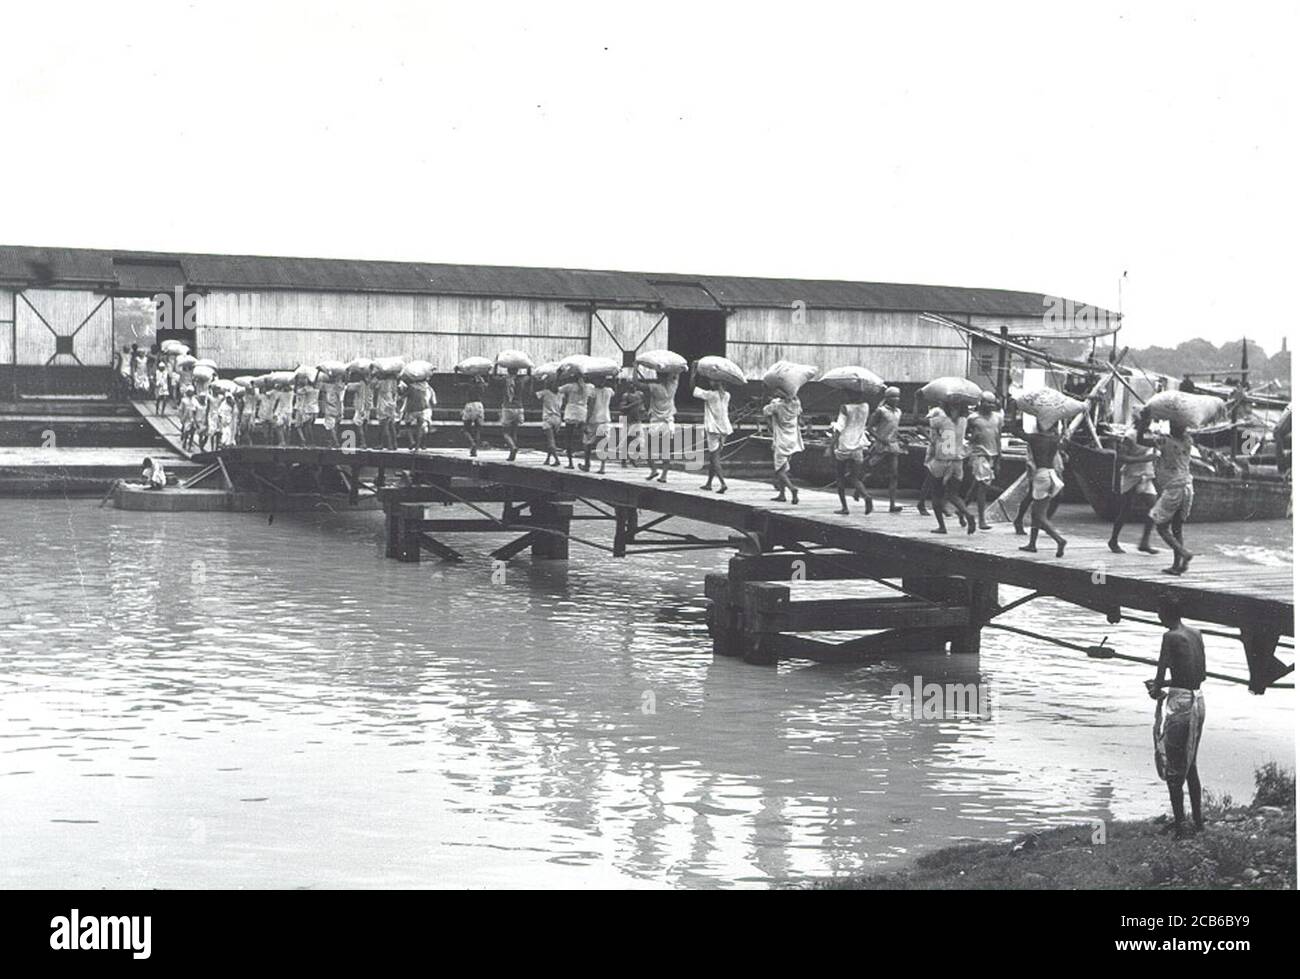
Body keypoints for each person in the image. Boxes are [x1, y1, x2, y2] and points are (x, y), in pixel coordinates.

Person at [1147, 593, 1207, 839]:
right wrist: (1168, 683)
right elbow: (1199, 675)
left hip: (1181, 704)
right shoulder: (1196, 633)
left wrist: (1155, 688)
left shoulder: (1169, 636)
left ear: (1165, 613)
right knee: (1190, 762)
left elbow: (1160, 677)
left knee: (1173, 766)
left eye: (1159, 611)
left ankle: (1181, 826)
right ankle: (1198, 821)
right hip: (1199, 699)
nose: (1158, 616)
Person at [1138, 410, 1196, 575]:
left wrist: (1144, 422)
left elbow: (1140, 439)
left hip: (1174, 488)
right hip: (1187, 486)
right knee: (1177, 528)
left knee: (1161, 527)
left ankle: (1184, 554)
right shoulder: (1188, 441)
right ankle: (1178, 565)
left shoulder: (1164, 441)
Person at [1019, 421, 1068, 556]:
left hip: (1041, 475)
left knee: (1039, 515)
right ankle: (1032, 544)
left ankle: (1059, 540)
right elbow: (1063, 443)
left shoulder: (1035, 438)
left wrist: (1013, 409)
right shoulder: (1055, 439)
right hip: (1052, 474)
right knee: (1038, 512)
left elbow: (1014, 430)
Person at [1108, 431, 1159, 554]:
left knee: (1154, 508)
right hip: (1130, 475)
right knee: (1126, 509)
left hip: (1146, 475)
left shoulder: (1152, 434)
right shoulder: (1130, 436)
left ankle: (1144, 542)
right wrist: (1144, 459)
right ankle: (1113, 540)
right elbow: (1121, 457)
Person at [927, 400, 973, 534]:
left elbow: (917, 421)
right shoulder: (964, 420)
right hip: (957, 461)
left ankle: (942, 526)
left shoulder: (940, 420)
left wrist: (917, 401)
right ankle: (967, 513)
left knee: (936, 495)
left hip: (941, 460)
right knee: (953, 494)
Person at [828, 389, 872, 514]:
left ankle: (844, 508)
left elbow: (839, 428)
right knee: (855, 477)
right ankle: (866, 496)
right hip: (858, 444)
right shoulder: (865, 406)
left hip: (844, 444)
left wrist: (830, 445)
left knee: (840, 477)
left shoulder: (845, 408)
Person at [863, 386, 905, 513]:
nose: (896, 399)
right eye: (893, 396)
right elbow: (869, 428)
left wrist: (901, 437)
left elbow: (894, 429)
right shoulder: (880, 411)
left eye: (897, 396)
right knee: (870, 470)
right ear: (887, 398)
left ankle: (892, 504)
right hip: (881, 446)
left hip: (893, 445)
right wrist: (880, 439)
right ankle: (859, 488)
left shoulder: (898, 412)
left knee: (894, 475)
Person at [965, 391, 1002, 530]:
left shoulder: (998, 418)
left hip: (992, 455)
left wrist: (999, 459)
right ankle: (981, 519)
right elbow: (965, 435)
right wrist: (972, 437)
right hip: (978, 454)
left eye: (992, 403)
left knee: (976, 485)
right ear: (981, 402)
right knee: (982, 487)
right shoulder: (973, 418)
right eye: (987, 402)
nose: (990, 405)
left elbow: (998, 438)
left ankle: (962, 508)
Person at [691, 366, 732, 493]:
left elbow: (692, 388)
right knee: (714, 456)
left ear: (716, 384)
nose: (710, 382)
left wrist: (693, 372)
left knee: (714, 458)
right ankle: (709, 483)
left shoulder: (710, 395)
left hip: (713, 428)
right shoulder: (727, 395)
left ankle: (722, 483)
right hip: (724, 429)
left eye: (712, 381)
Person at [762, 389, 803, 504]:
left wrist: (771, 402)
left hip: (781, 440)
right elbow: (799, 413)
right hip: (793, 439)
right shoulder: (796, 404)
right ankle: (782, 494)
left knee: (779, 470)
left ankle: (792, 489)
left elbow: (765, 411)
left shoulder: (777, 406)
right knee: (784, 467)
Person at [639, 370, 679, 482]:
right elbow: (677, 374)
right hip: (668, 422)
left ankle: (653, 470)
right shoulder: (673, 386)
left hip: (656, 421)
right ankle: (664, 475)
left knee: (648, 449)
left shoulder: (655, 387)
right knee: (665, 450)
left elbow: (637, 384)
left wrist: (635, 367)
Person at [558, 371, 593, 469]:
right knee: (586, 439)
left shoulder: (569, 386)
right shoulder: (590, 387)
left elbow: (557, 389)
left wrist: (559, 376)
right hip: (583, 412)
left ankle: (570, 463)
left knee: (568, 438)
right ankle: (587, 462)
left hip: (571, 412)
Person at [495, 367, 530, 462]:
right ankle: (512, 454)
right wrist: (528, 366)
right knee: (514, 431)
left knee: (505, 432)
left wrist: (496, 365)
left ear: (508, 370)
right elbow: (529, 376)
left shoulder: (504, 380)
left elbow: (494, 377)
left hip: (508, 407)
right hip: (519, 407)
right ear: (517, 371)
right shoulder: (521, 380)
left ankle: (513, 447)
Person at [583, 375, 615, 474]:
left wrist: (586, 421)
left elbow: (591, 407)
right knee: (603, 445)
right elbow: (614, 392)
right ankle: (602, 467)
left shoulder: (593, 391)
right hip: (605, 419)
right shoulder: (609, 391)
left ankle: (587, 465)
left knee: (587, 443)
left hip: (594, 420)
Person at [615, 377, 647, 468]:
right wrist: (633, 404)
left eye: (633, 384)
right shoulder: (626, 395)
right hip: (628, 421)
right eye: (630, 384)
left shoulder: (640, 394)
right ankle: (624, 460)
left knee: (639, 442)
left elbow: (642, 406)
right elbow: (622, 408)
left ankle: (633, 459)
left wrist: (643, 412)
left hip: (637, 420)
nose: (632, 386)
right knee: (627, 441)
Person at [401, 375, 434, 451]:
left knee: (407, 425)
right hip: (423, 409)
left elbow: (404, 395)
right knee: (419, 427)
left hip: (412, 410)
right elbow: (433, 401)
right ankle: (417, 447)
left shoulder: (411, 387)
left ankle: (412, 440)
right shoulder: (427, 387)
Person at [535, 377, 564, 466]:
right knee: (551, 441)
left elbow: (533, 394)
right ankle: (548, 459)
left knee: (550, 441)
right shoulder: (561, 394)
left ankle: (556, 460)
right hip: (558, 419)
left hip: (548, 418)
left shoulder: (545, 392)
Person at [460, 373, 488, 457]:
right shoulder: (482, 386)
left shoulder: (468, 385)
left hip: (470, 405)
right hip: (479, 406)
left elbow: (455, 383)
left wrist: (456, 372)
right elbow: (488, 382)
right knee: (478, 429)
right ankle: (474, 450)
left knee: (465, 429)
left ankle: (472, 443)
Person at [347, 366, 373, 448]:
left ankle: (363, 442)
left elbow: (348, 388)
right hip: (368, 407)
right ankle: (364, 441)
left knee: (358, 423)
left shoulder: (359, 384)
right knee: (364, 424)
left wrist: (347, 375)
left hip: (360, 407)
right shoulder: (371, 384)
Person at [374, 367, 399, 450]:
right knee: (391, 425)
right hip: (392, 403)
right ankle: (394, 444)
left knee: (384, 425)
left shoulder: (382, 382)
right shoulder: (394, 382)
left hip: (383, 404)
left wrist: (375, 376)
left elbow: (373, 386)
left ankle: (389, 445)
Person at [318, 371, 345, 448]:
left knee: (331, 427)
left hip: (329, 408)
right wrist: (340, 411)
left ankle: (335, 442)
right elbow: (339, 401)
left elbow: (319, 387)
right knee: (334, 426)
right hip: (335, 408)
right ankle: (332, 441)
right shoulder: (338, 387)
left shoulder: (326, 386)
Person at [293, 374, 319, 446]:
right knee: (309, 426)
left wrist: (296, 381)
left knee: (301, 426)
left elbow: (296, 391)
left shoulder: (305, 389)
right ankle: (310, 441)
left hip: (305, 409)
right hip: (314, 409)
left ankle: (305, 440)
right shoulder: (316, 389)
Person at [178, 386, 197, 451]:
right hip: (186, 417)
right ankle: (185, 442)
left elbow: (196, 408)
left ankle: (189, 446)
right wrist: (181, 417)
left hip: (193, 417)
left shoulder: (194, 400)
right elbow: (180, 409)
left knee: (192, 432)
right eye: (190, 392)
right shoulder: (184, 400)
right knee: (186, 431)